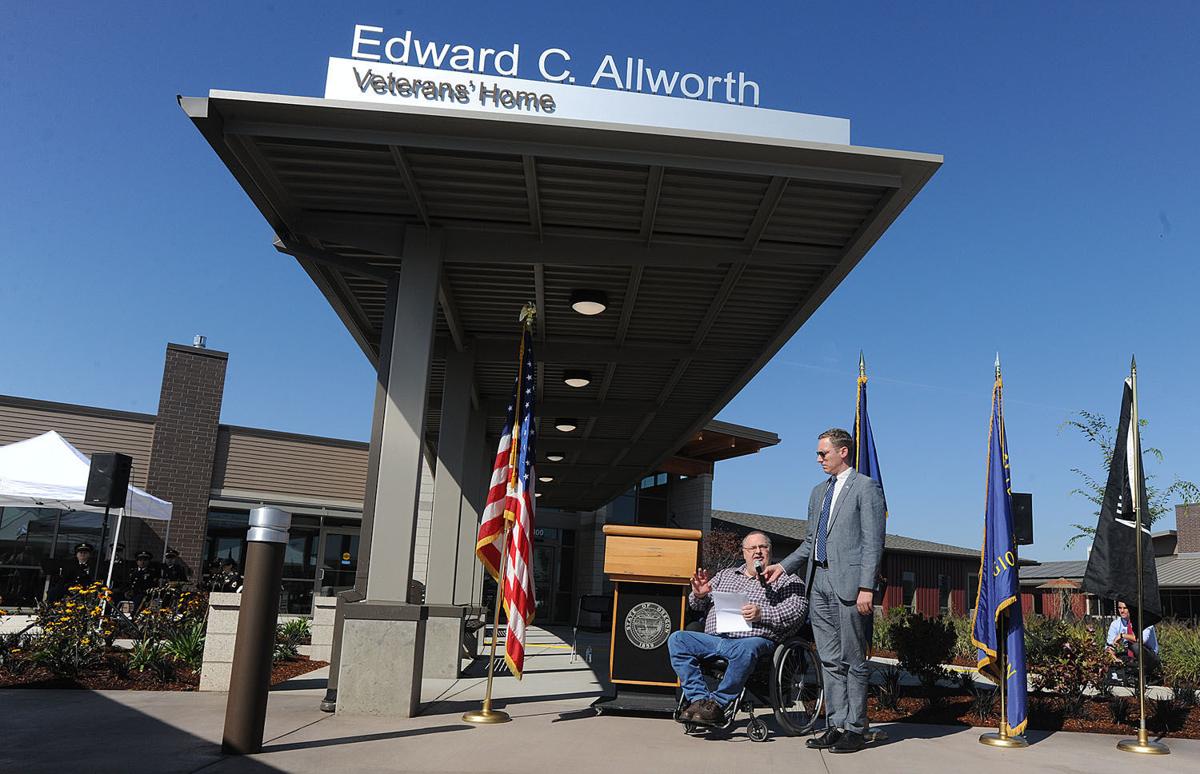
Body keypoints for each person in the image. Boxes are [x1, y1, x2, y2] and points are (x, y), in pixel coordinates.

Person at [764, 428, 886, 754]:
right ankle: (836, 725)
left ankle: (856, 729)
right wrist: (784, 566)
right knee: (830, 660)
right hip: (817, 584)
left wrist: (866, 587)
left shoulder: (866, 488)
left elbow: (873, 543)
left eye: (823, 453)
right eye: (818, 454)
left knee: (853, 660)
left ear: (843, 452)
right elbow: (809, 542)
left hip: (850, 586)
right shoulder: (818, 492)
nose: (819, 459)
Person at [667, 531, 807, 727]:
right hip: (715, 638)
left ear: (770, 551)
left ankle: (717, 704)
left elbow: (797, 612)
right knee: (677, 639)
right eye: (752, 548)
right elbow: (697, 607)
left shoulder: (787, 580)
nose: (757, 552)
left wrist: (762, 614)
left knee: (745, 649)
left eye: (762, 547)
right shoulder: (725, 575)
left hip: (753, 640)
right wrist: (699, 595)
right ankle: (699, 700)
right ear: (744, 553)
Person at [1106, 600, 1160, 678]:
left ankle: (1145, 673)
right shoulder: (1115, 624)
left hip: (1150, 658)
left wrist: (1122, 635)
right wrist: (1115, 659)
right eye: (1119, 608)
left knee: (1136, 646)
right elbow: (1109, 646)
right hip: (1130, 658)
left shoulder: (1145, 621)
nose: (1122, 611)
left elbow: (1141, 640)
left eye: (1125, 608)